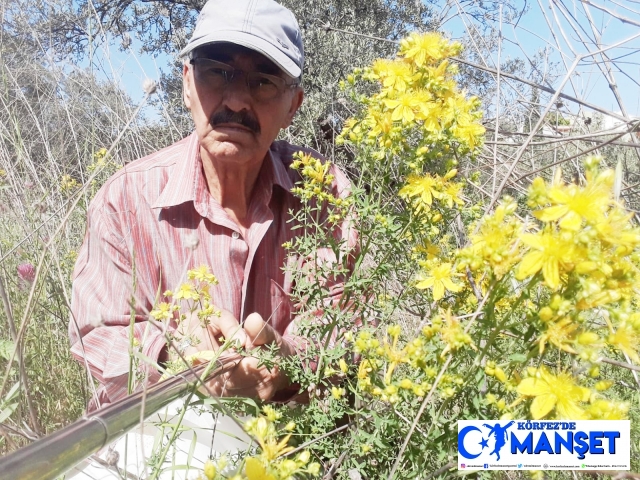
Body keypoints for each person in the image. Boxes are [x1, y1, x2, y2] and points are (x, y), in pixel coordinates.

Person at [69, 0, 356, 410]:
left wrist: (288, 362)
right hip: (160, 444)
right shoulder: (127, 199)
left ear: (293, 106)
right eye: (217, 72)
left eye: (263, 81)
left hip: (291, 445)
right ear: (187, 83)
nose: (237, 100)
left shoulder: (326, 195)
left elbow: (349, 329)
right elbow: (96, 334)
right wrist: (177, 353)